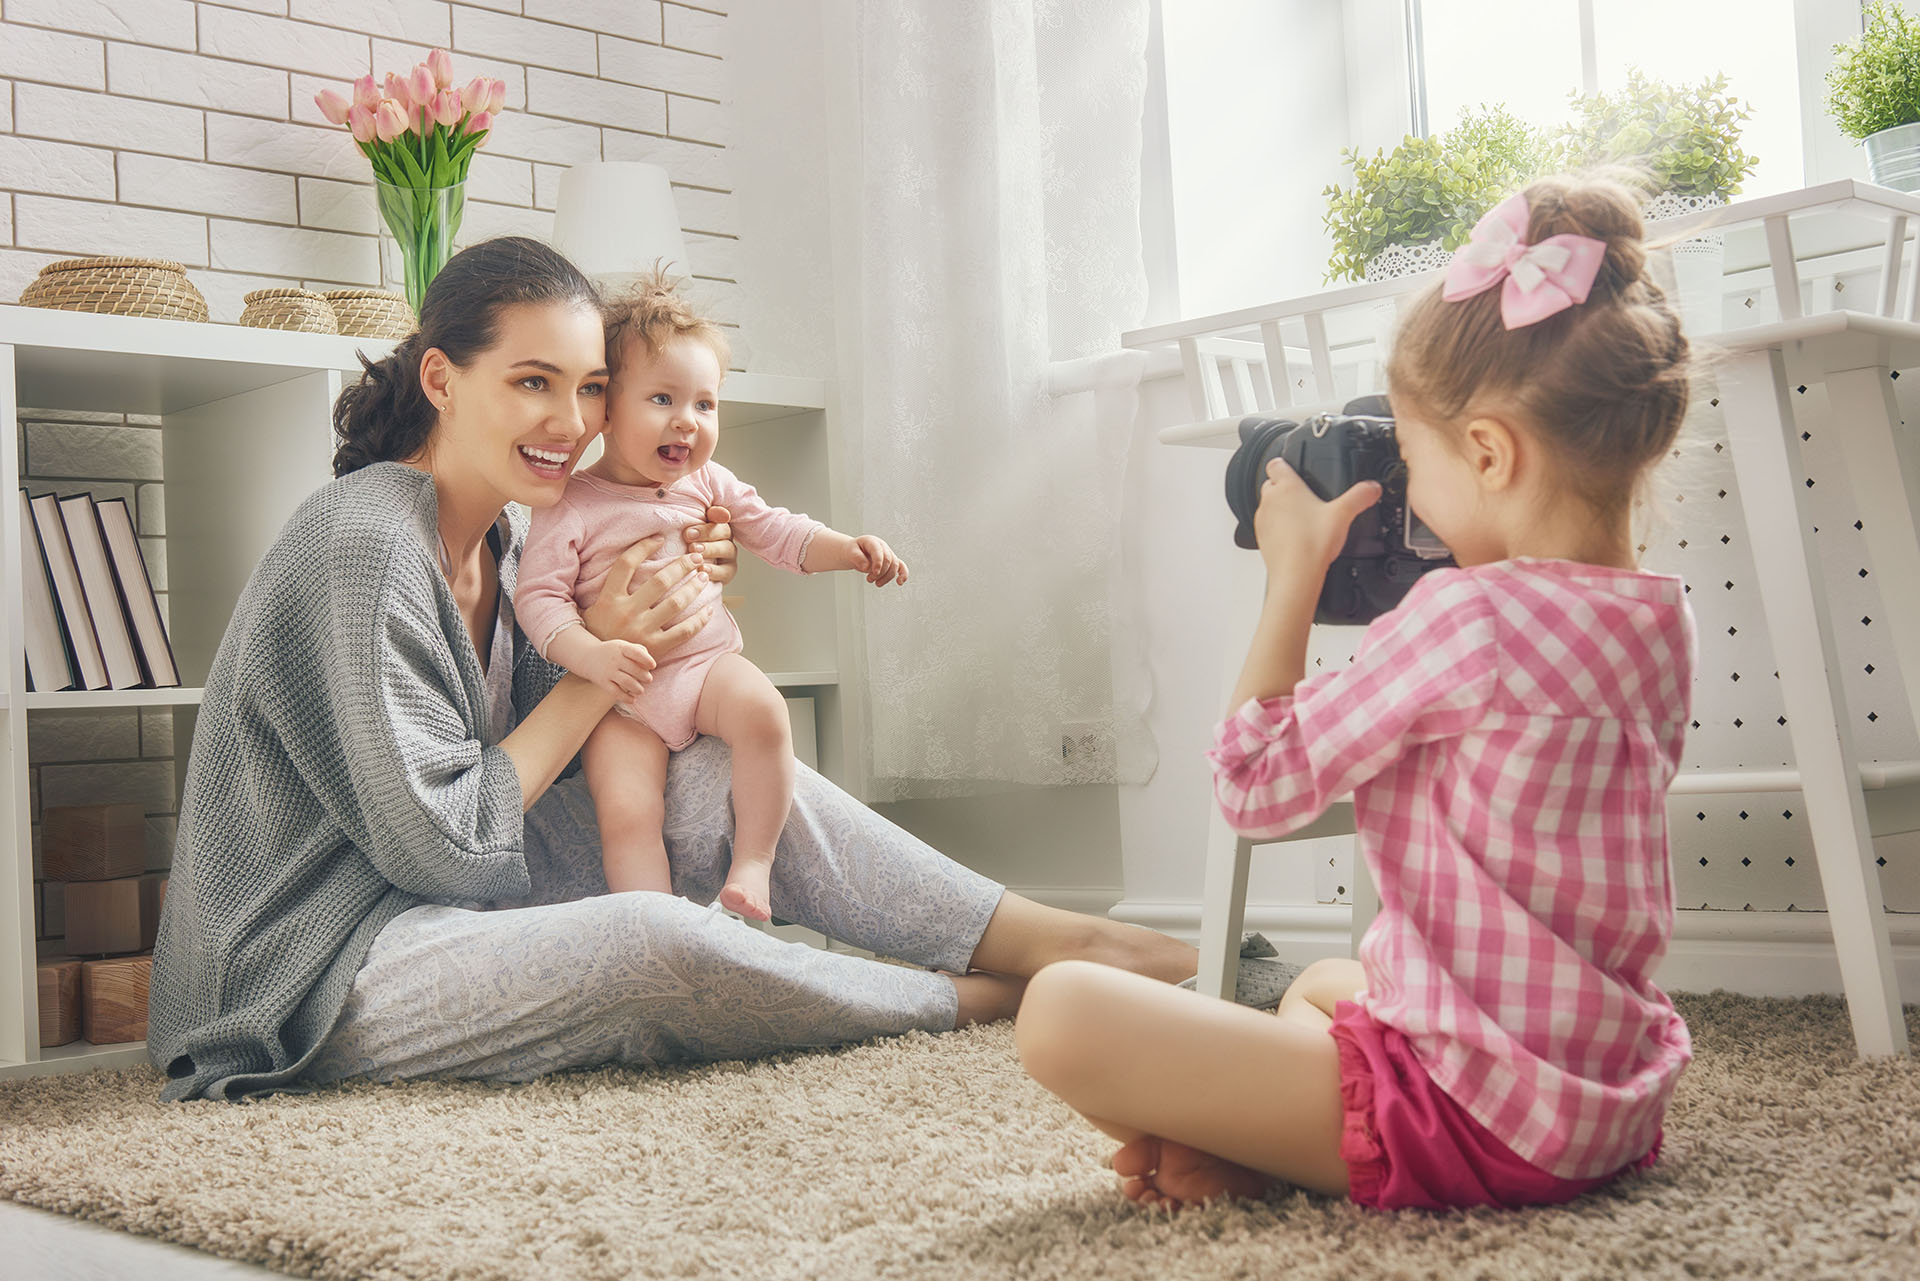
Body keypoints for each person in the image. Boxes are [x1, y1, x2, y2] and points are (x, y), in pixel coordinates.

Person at [147, 235, 1200, 1103]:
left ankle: (1056, 938)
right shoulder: (364, 544)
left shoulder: (508, 546)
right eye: (531, 383)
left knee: (711, 775)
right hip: (310, 968)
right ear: (441, 380)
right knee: (649, 941)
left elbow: (539, 761)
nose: (572, 424)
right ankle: (983, 998)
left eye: (592, 389)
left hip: (439, 897)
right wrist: (606, 669)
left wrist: (646, 635)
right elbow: (441, 847)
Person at [1016, 175, 1698, 1213]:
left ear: (1488, 453)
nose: (1410, 491)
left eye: (1412, 457)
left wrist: (1291, 578)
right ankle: (1251, 1149)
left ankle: (1279, 1147)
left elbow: (1254, 788)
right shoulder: (1658, 621)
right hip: (1607, 1109)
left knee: (1058, 1010)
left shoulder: (1465, 621)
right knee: (1329, 989)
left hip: (1475, 1121)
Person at [516, 272, 905, 922]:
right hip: (620, 698)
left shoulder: (708, 482)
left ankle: (754, 865)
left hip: (704, 668)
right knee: (628, 812)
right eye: (662, 398)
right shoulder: (571, 505)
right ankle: (660, 931)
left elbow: (778, 531)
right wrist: (590, 657)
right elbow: (540, 602)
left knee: (765, 714)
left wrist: (849, 549)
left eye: (705, 404)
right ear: (606, 408)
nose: (686, 421)